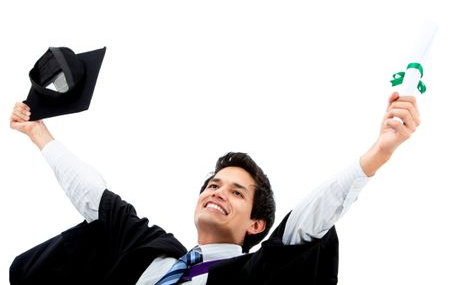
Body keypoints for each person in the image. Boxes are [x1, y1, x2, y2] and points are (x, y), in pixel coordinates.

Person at [9, 91, 420, 285]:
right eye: (214, 184)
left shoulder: (250, 275)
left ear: (257, 225)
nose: (218, 192)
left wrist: (378, 154)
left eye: (237, 192)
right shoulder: (149, 250)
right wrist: (39, 135)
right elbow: (95, 196)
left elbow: (306, 225)